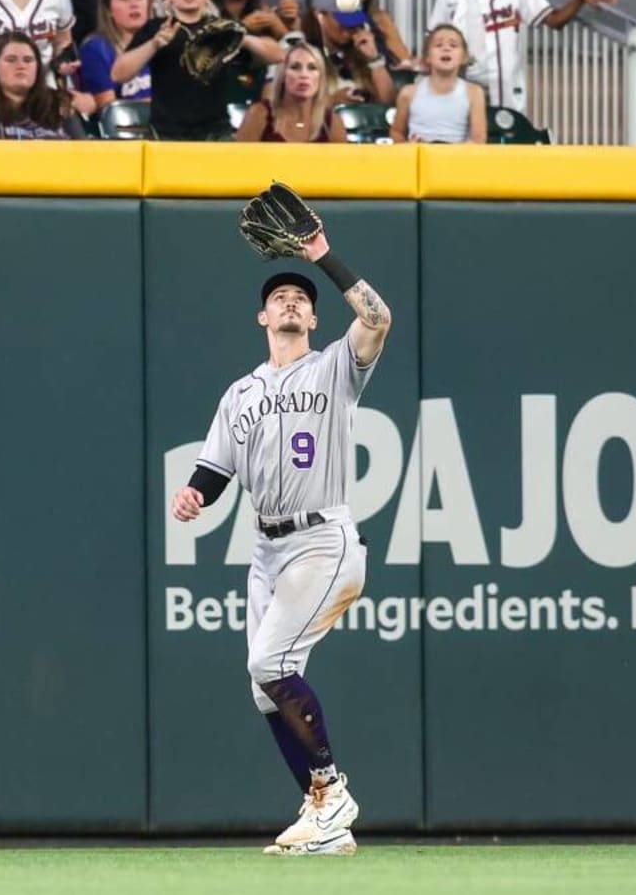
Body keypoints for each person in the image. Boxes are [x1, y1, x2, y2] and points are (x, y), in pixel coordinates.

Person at [170, 201, 391, 858]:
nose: (291, 301)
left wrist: (321, 255)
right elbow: (215, 468)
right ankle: (324, 819)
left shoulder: (332, 370)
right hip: (266, 545)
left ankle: (330, 788)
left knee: (272, 661)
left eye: (300, 297)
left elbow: (378, 318)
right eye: (280, 296)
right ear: (263, 317)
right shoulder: (239, 393)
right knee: (263, 685)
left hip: (322, 539)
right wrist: (193, 495)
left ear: (313, 317)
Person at [109, 0, 280, 140]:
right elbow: (118, 74)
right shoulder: (156, 28)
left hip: (216, 132)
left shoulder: (224, 28)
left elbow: (278, 55)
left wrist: (242, 38)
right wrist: (153, 44)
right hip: (166, 134)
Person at [426, 0, 614, 112]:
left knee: (505, 138)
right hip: (460, 82)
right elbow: (433, 36)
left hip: (504, 84)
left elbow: (554, 20)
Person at [0, 29, 82, 137]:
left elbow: (84, 152)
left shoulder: (60, 103)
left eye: (28, 60)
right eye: (11, 59)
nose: (21, 66)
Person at [390, 23, 482, 143]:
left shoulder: (474, 93)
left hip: (457, 159)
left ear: (464, 57)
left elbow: (478, 139)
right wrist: (409, 148)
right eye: (438, 45)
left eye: (453, 45)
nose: (446, 48)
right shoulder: (409, 93)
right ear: (427, 57)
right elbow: (396, 132)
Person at [235, 40, 343, 142]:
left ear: (321, 77)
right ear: (282, 75)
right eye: (295, 67)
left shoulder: (332, 123)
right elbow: (237, 160)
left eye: (312, 68)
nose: (304, 75)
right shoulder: (259, 114)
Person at [304, 5, 392, 105]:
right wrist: (331, 101)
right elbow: (294, 108)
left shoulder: (360, 52)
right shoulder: (303, 53)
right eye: (342, 20)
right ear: (320, 16)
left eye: (353, 20)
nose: (349, 26)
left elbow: (387, 103)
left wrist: (374, 59)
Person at [75, 0, 150, 109]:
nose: (134, 4)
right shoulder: (96, 49)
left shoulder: (162, 41)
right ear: (109, 9)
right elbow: (110, 110)